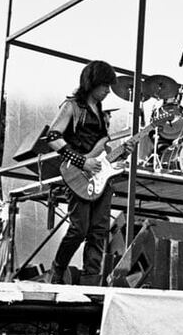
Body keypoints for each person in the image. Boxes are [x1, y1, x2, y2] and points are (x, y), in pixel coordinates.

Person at [47, 60, 136, 286]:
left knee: (99, 231)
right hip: (77, 173)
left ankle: (90, 281)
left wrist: (123, 153)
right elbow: (52, 137)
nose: (108, 90)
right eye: (104, 85)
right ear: (92, 83)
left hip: (100, 176)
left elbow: (103, 153)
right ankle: (57, 271)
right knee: (78, 229)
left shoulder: (101, 113)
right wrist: (81, 161)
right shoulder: (72, 106)